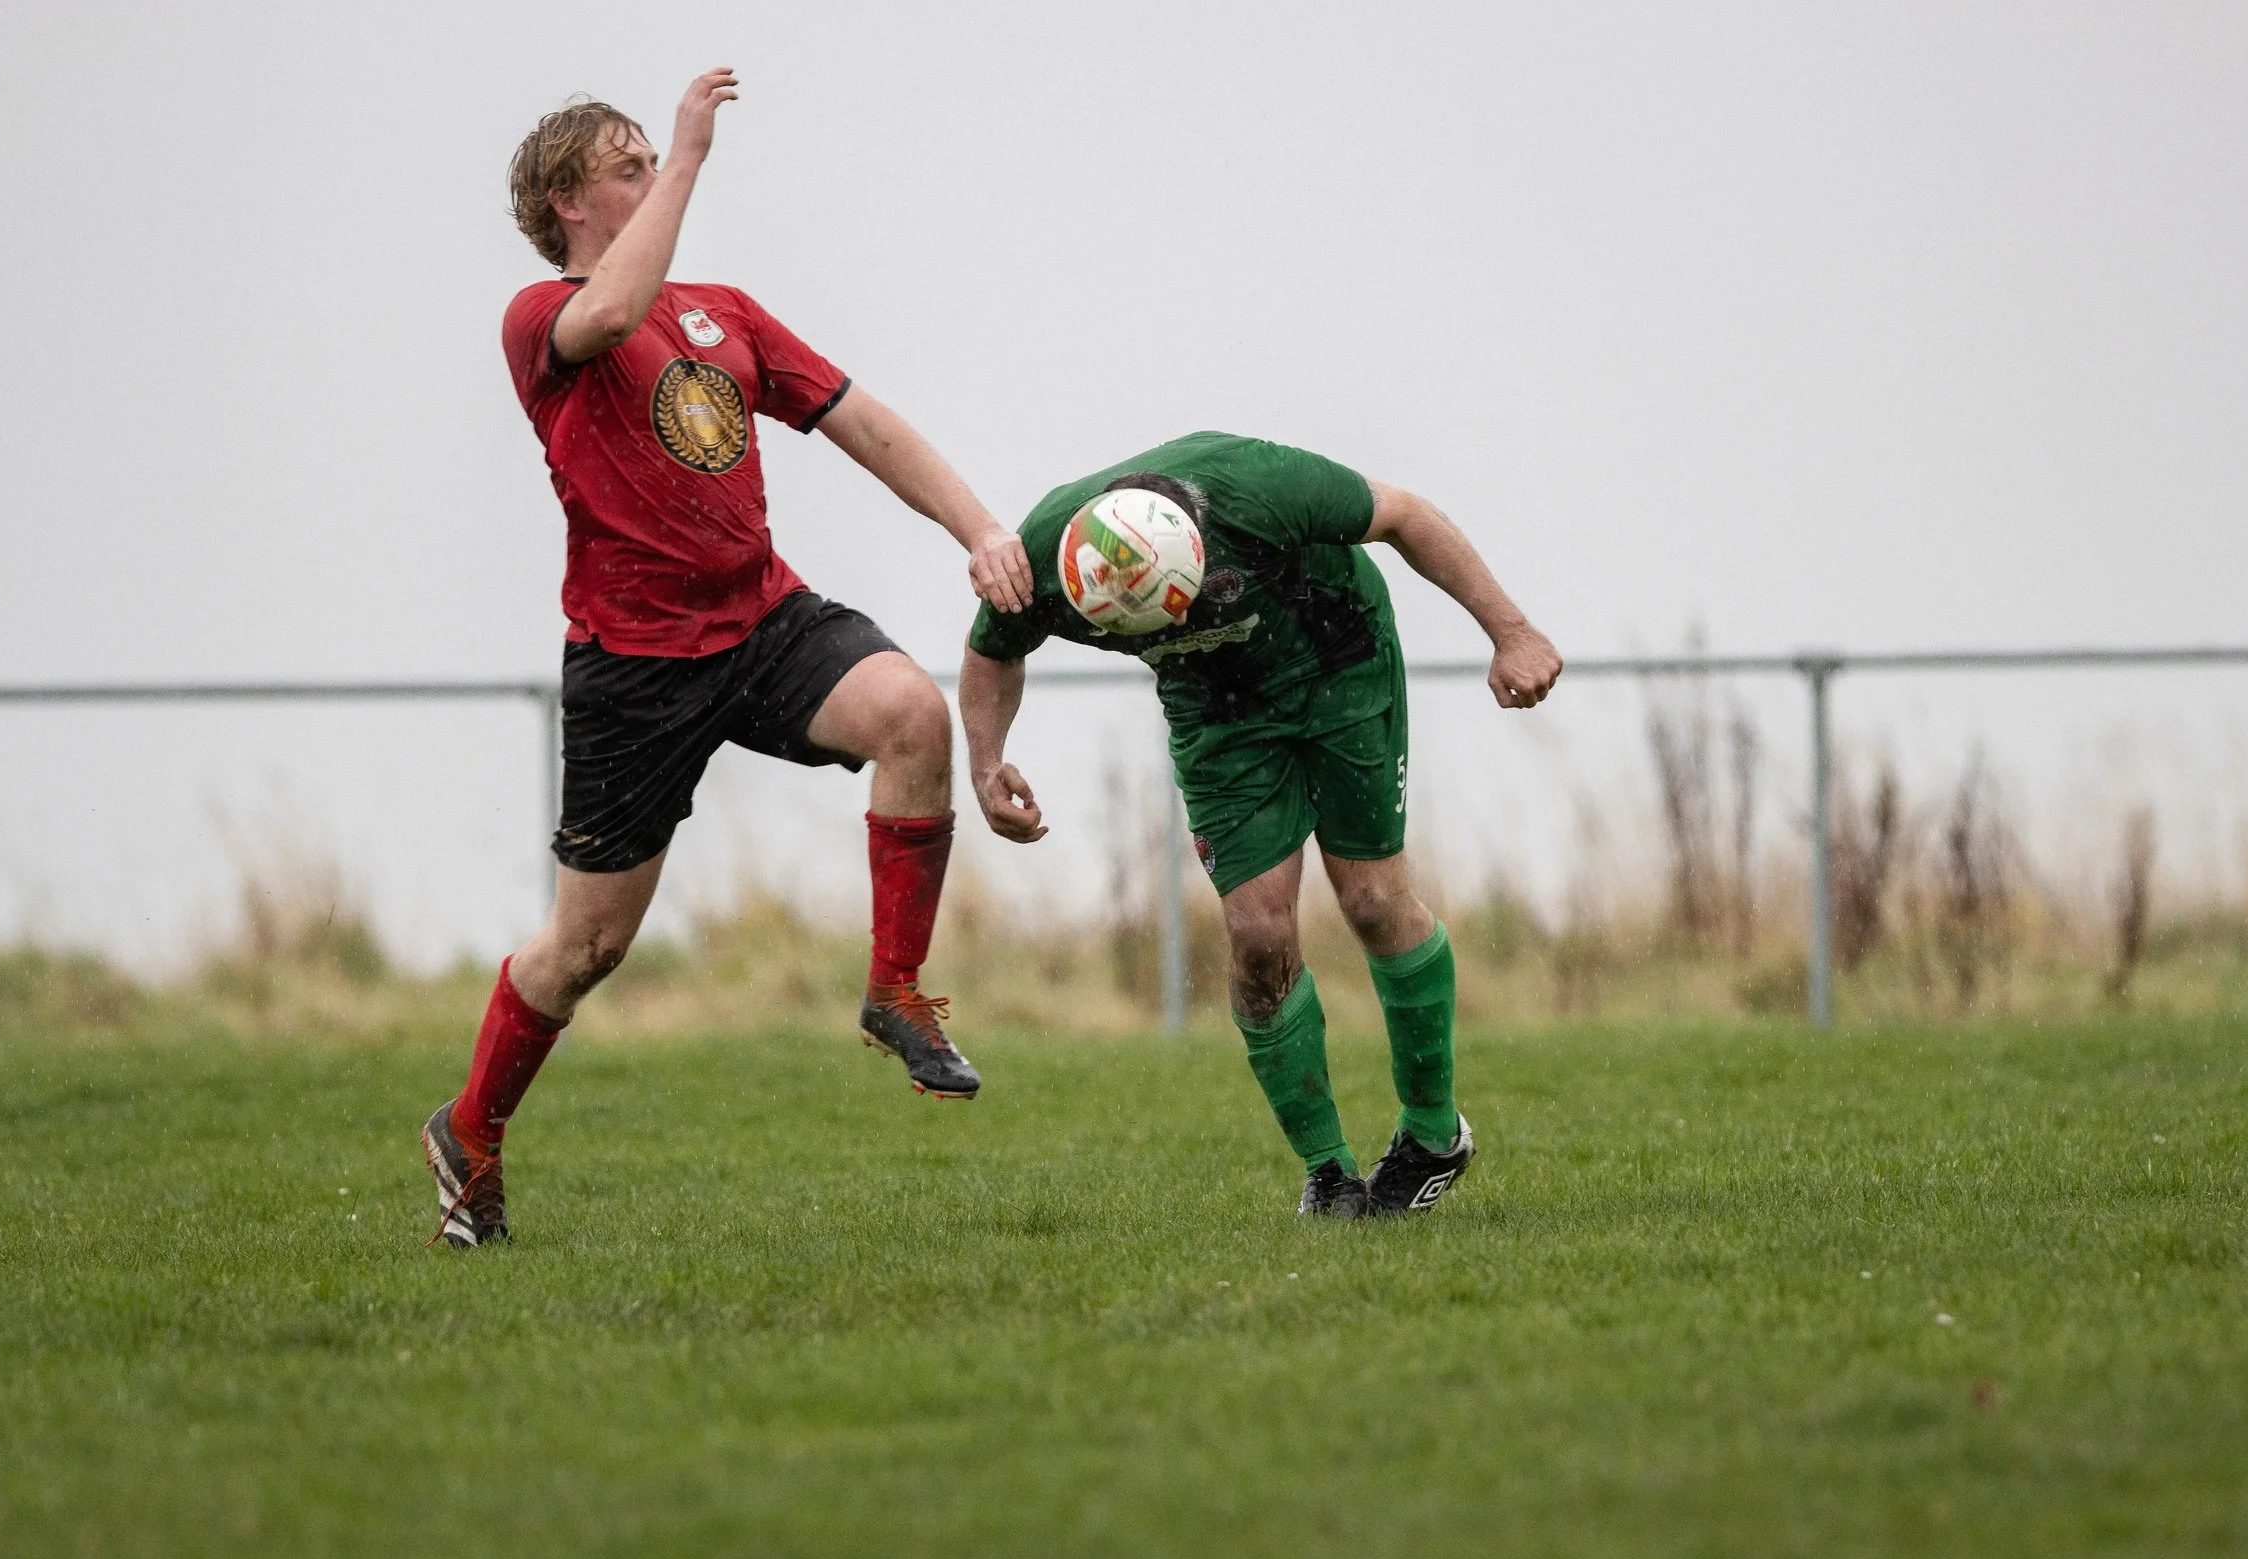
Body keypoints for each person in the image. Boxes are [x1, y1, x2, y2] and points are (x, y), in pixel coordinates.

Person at [425, 69, 1034, 1248]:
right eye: (630, 164)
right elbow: (605, 315)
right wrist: (696, 158)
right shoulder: (538, 320)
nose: (654, 173)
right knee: (587, 947)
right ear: (568, 199)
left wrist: (981, 529)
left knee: (912, 715)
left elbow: (864, 423)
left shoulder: (727, 313)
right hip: (635, 668)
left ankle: (895, 991)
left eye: (658, 158)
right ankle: (471, 1132)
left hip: (762, 620)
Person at [959, 433, 1561, 1217]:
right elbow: (991, 651)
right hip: (1217, 711)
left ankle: (1433, 1137)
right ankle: (1331, 1174)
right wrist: (985, 762)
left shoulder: (1255, 488)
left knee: (1374, 903)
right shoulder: (1041, 562)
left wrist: (1511, 632)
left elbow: (1408, 516)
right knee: (1257, 937)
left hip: (1337, 658)